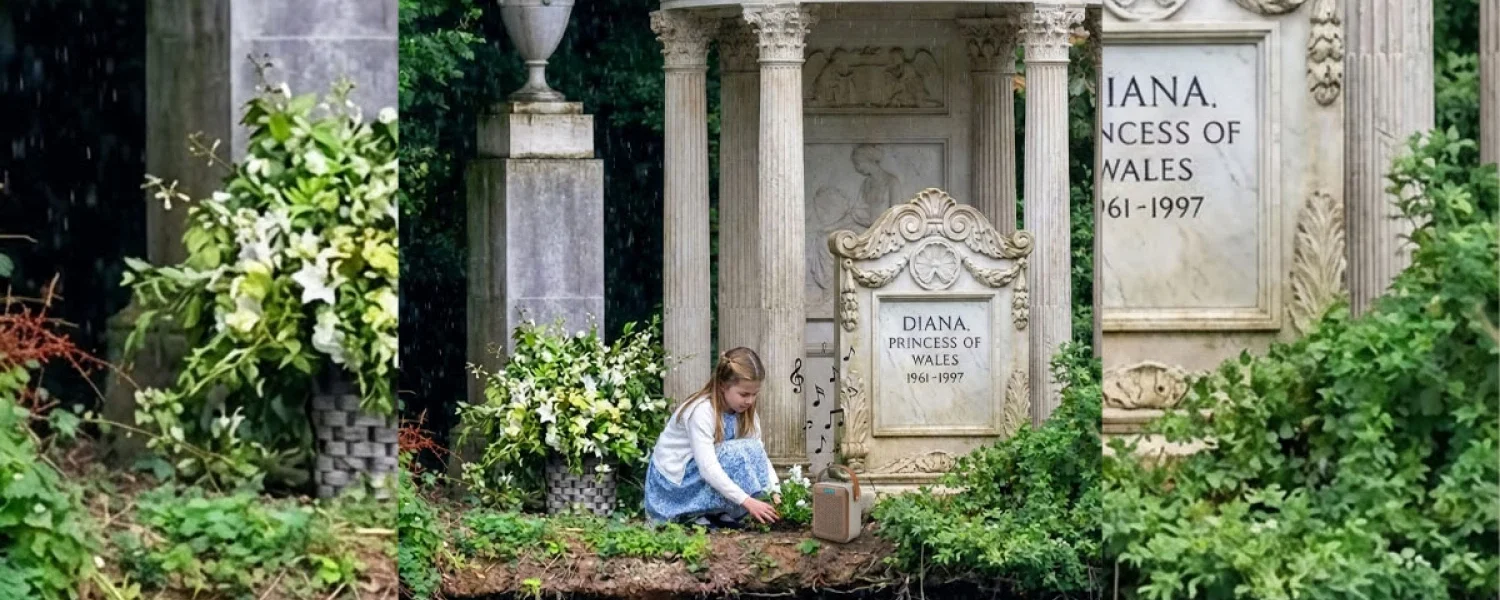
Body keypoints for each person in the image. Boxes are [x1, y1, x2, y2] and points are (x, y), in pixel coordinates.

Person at [645, 347, 782, 528]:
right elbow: (708, 468)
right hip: (674, 484)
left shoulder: (745, 412)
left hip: (699, 474)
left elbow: (760, 455)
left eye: (754, 394)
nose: (749, 401)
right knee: (734, 453)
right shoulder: (702, 411)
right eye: (744, 394)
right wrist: (748, 502)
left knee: (751, 448)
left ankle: (717, 512)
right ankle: (691, 513)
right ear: (723, 385)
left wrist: (775, 491)